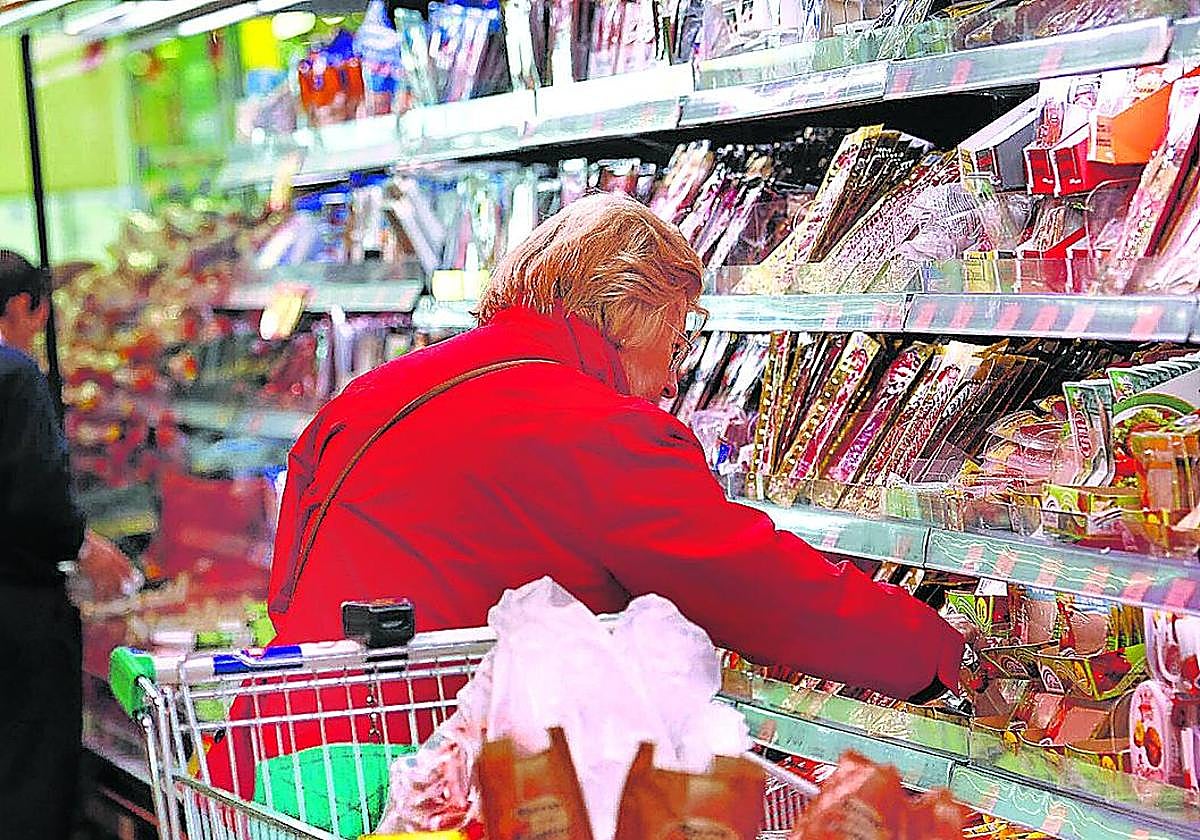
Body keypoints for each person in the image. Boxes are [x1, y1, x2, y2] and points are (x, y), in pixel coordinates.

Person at [267, 193, 965, 697]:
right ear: (629, 312)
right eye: (678, 335)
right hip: (413, 772)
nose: (674, 375)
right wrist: (932, 652)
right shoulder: (601, 431)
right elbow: (757, 589)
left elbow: (290, 569)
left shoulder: (376, 391)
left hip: (282, 751)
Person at [0, 249, 132, 840]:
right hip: (18, 614)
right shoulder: (15, 376)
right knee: (30, 780)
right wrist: (81, 545)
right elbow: (35, 501)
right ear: (24, 307)